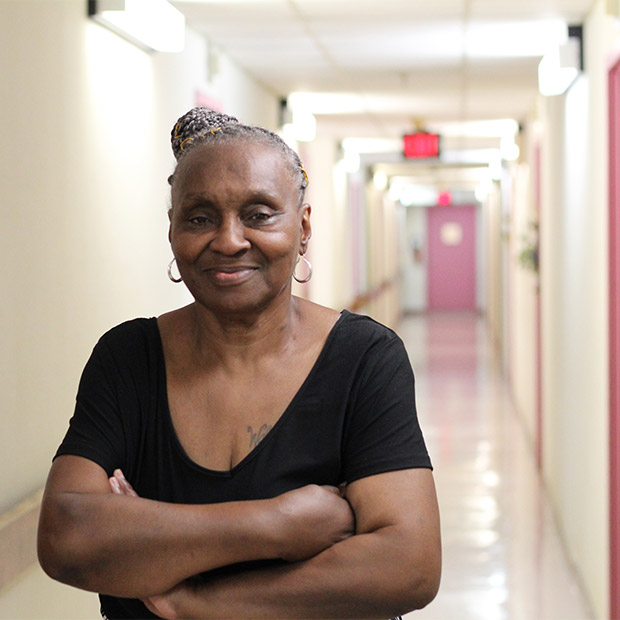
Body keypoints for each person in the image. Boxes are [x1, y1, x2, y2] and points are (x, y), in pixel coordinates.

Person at [37, 108, 441, 620]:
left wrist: (195, 600)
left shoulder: (364, 359)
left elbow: (410, 565)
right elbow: (65, 536)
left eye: (259, 214)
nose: (228, 241)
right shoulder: (127, 359)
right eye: (200, 217)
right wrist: (280, 524)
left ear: (303, 227)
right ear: (172, 230)